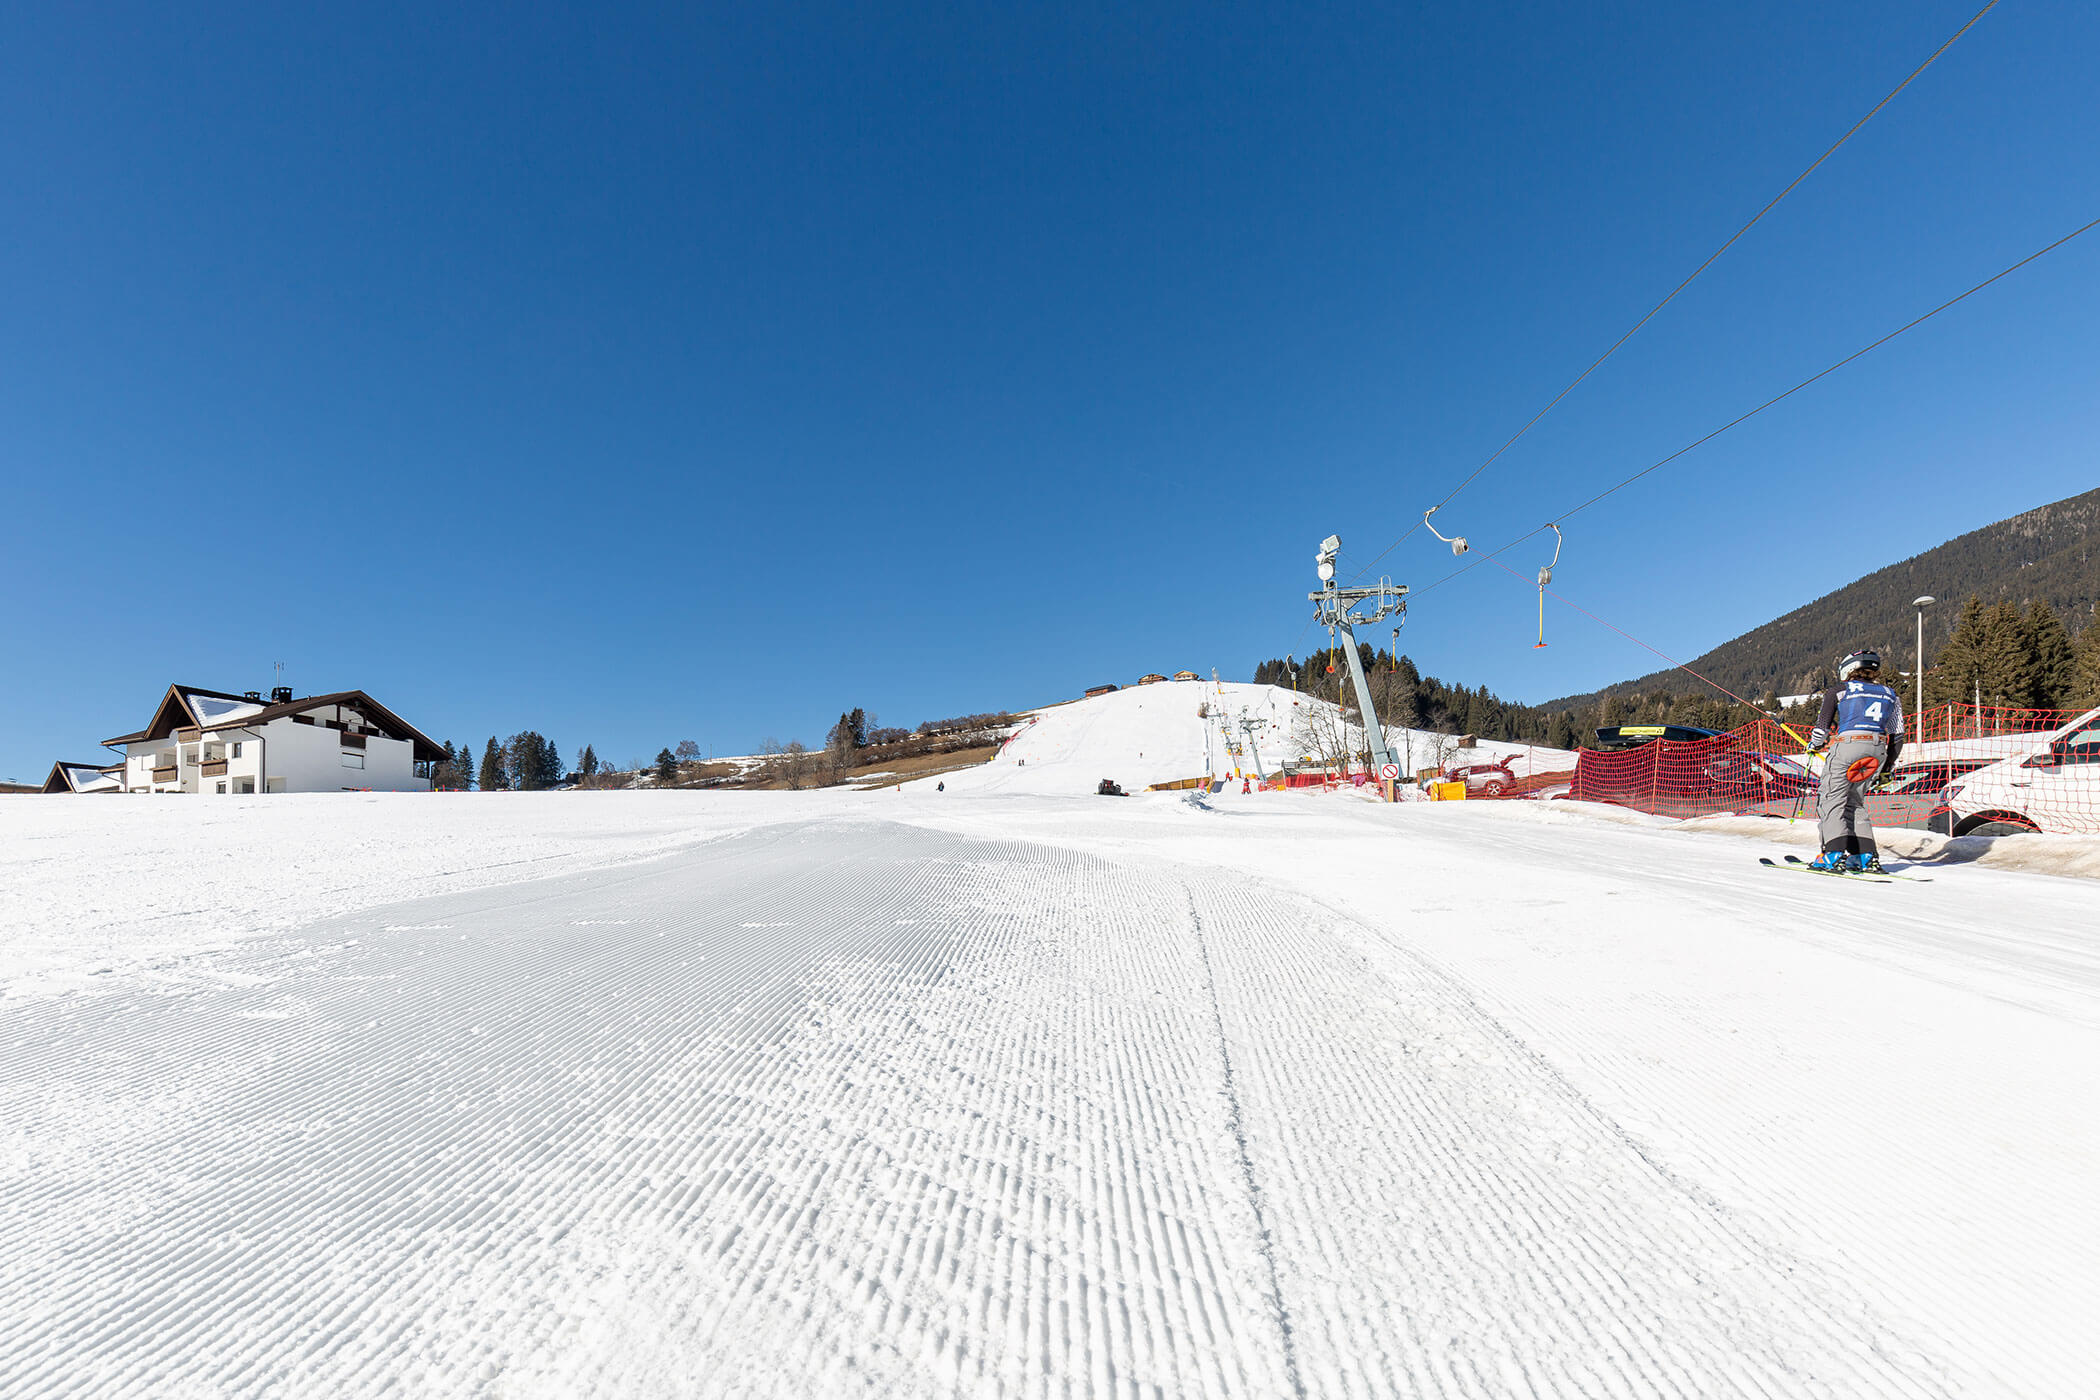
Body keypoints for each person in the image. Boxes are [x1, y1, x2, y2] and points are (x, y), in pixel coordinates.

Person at [1806, 649, 1905, 872]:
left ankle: (1832, 854)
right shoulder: (1891, 694)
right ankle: (1866, 857)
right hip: (1877, 749)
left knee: (1831, 798)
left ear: (1848, 669)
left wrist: (1814, 745)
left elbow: (1821, 730)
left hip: (1849, 746)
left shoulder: (1839, 691)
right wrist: (1887, 767)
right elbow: (1898, 735)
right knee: (1855, 802)